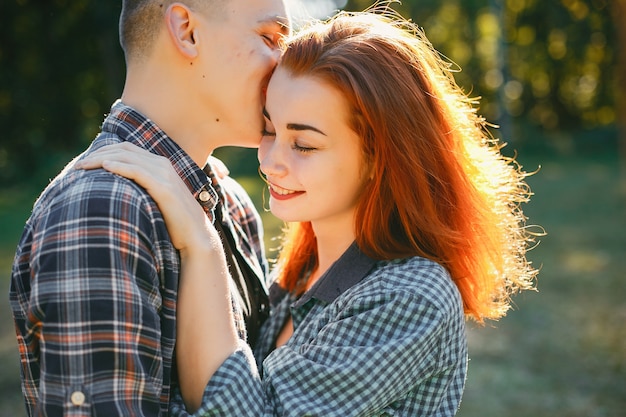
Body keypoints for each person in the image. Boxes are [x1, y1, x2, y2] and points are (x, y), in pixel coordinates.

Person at [76, 9, 540, 416]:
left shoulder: (411, 296)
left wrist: (201, 242)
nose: (271, 160)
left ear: (381, 157)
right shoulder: (301, 276)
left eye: (304, 144)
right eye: (269, 129)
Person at [9, 0, 290, 415]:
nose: (286, 65)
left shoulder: (232, 204)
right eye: (270, 38)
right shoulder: (101, 213)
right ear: (186, 30)